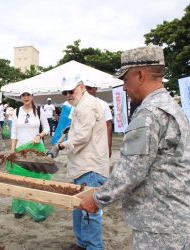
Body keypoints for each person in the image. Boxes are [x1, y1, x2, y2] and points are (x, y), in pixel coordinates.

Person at [79, 46, 190, 249]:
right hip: (180, 216)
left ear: (139, 75)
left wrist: (98, 198)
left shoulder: (149, 114)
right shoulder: (171, 106)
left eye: (125, 80)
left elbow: (132, 169)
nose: (124, 88)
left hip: (160, 225)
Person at [55, 75, 109, 250]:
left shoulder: (86, 105)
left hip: (90, 167)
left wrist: (61, 145)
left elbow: (81, 137)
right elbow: (79, 130)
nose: (69, 95)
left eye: (71, 91)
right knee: (79, 207)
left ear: (82, 87)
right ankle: (82, 243)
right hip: (83, 166)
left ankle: (93, 247)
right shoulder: (81, 105)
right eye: (65, 93)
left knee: (89, 212)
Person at [10, 89, 50, 221]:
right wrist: (12, 151)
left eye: (28, 94)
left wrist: (40, 135)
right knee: (21, 180)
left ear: (32, 96)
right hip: (20, 151)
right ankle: (20, 208)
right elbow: (14, 132)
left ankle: (38, 209)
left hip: (36, 150)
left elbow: (47, 128)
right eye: (23, 95)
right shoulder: (16, 112)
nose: (26, 97)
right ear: (20, 97)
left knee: (37, 181)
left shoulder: (39, 110)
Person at [85, 81, 113, 157]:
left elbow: (108, 126)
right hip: (83, 147)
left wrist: (109, 146)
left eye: (89, 88)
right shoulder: (77, 105)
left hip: (99, 146)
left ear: (95, 89)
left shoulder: (103, 104)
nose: (87, 91)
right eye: (85, 89)